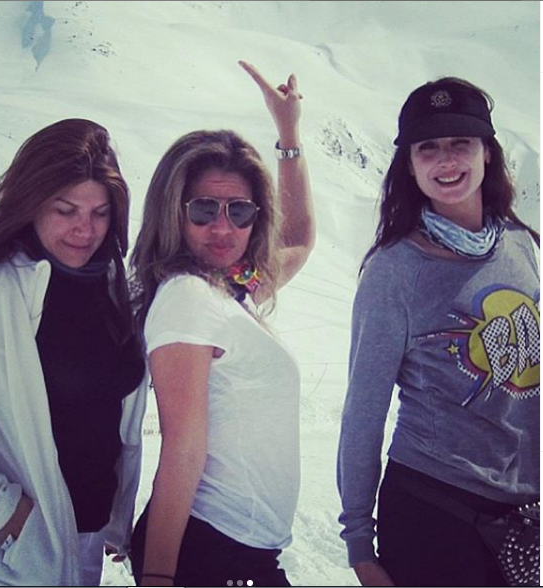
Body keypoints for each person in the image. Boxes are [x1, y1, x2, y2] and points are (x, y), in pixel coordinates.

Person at [337, 77, 540, 587]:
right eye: (428, 148)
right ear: (409, 165)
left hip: (523, 515)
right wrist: (359, 542)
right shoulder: (393, 270)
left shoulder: (520, 245)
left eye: (460, 143)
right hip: (432, 511)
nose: (446, 161)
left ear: (487, 152)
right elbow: (363, 411)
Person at [127, 61, 315, 587]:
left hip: (242, 554)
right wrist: (159, 577)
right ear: (174, 210)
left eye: (240, 211)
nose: (223, 228)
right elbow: (182, 449)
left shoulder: (229, 290)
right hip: (211, 553)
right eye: (204, 209)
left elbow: (299, 239)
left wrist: (288, 135)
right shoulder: (188, 297)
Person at [0, 118, 146, 586]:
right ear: (31, 201)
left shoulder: (114, 289)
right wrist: (2, 511)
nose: (84, 229)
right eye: (65, 209)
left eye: (100, 213)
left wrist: (116, 516)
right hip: (8, 558)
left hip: (87, 541)